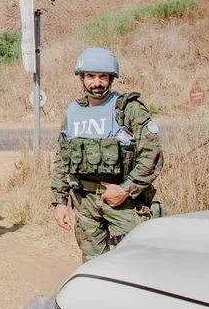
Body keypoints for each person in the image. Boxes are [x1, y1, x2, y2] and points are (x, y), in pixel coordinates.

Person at [50, 47, 164, 262]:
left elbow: (152, 154)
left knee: (134, 262)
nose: (97, 82)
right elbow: (62, 159)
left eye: (103, 76)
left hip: (122, 204)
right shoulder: (74, 111)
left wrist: (125, 190)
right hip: (84, 204)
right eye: (91, 76)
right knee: (93, 264)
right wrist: (60, 202)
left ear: (111, 79)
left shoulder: (128, 109)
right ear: (82, 78)